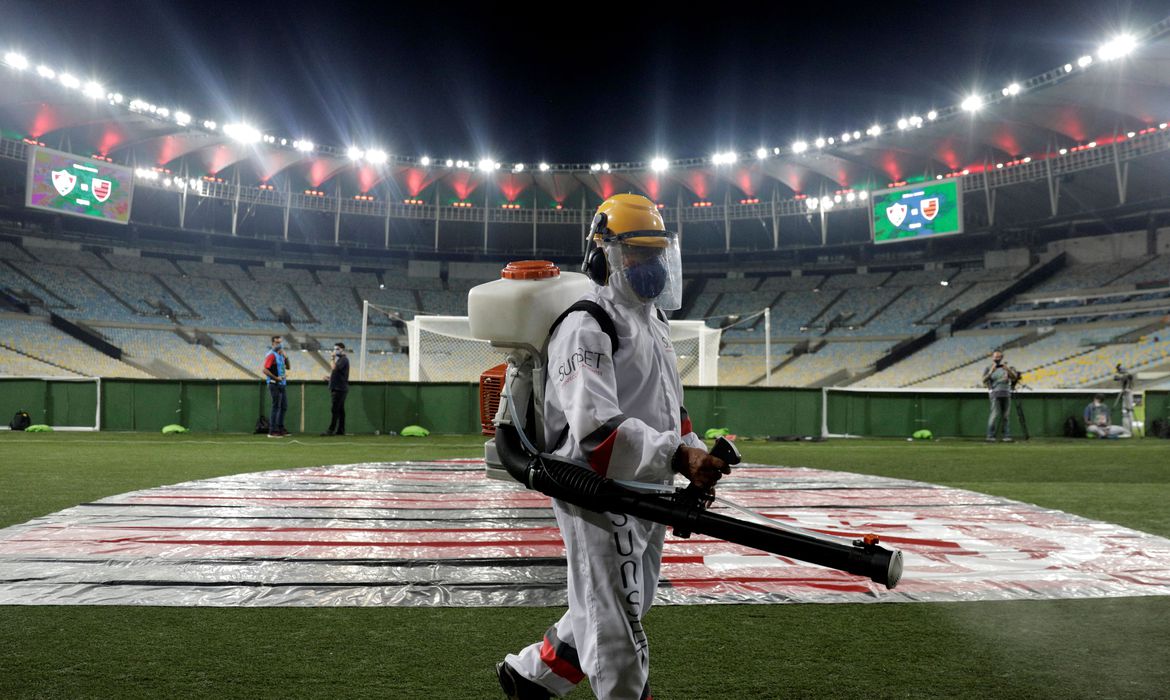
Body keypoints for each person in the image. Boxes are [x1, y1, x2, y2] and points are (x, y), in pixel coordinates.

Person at [496, 194, 730, 700]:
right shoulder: (586, 325)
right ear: (602, 256)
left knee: (626, 603)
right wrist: (677, 455)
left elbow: (671, 411)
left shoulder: (656, 323)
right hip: (598, 491)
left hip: (647, 484)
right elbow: (596, 433)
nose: (650, 267)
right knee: (618, 628)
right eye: (637, 255)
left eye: (656, 254)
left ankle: (531, 676)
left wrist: (694, 454)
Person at [982, 349, 1018, 443]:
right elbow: (983, 380)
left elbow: (1014, 377)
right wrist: (991, 372)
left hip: (1006, 393)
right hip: (995, 393)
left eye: (998, 357)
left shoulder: (1007, 367)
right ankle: (990, 436)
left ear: (1002, 357)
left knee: (1006, 416)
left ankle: (1007, 436)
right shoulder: (988, 367)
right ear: (992, 358)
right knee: (994, 415)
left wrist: (1007, 369)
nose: (997, 358)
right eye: (995, 357)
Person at [262, 335, 290, 438]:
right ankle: (272, 431)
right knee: (276, 406)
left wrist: (286, 357)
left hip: (282, 384)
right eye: (277, 343)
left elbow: (288, 367)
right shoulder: (271, 355)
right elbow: (264, 370)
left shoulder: (281, 354)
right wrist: (276, 378)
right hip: (274, 383)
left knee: (283, 406)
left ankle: (280, 428)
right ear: (273, 344)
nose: (280, 344)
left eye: (281, 342)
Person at [321, 342, 349, 436]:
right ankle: (341, 430)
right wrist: (329, 378)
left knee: (335, 410)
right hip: (339, 387)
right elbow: (338, 374)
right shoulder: (341, 360)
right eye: (334, 349)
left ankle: (331, 430)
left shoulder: (343, 359)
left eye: (337, 349)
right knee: (340, 410)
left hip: (339, 389)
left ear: (342, 349)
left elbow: (334, 368)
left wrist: (332, 358)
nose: (335, 351)